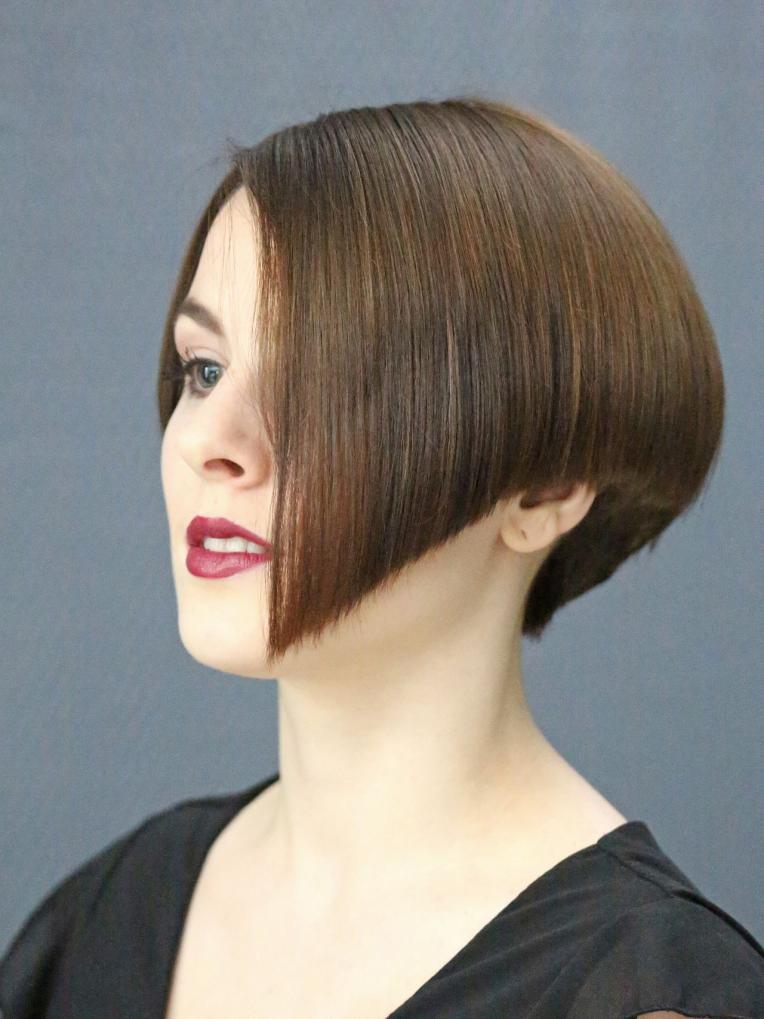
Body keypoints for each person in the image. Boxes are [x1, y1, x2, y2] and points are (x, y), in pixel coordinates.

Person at [1, 95, 762, 1019]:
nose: (207, 441)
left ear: (546, 490)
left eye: (318, 380)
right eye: (205, 370)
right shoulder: (109, 918)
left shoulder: (642, 995)